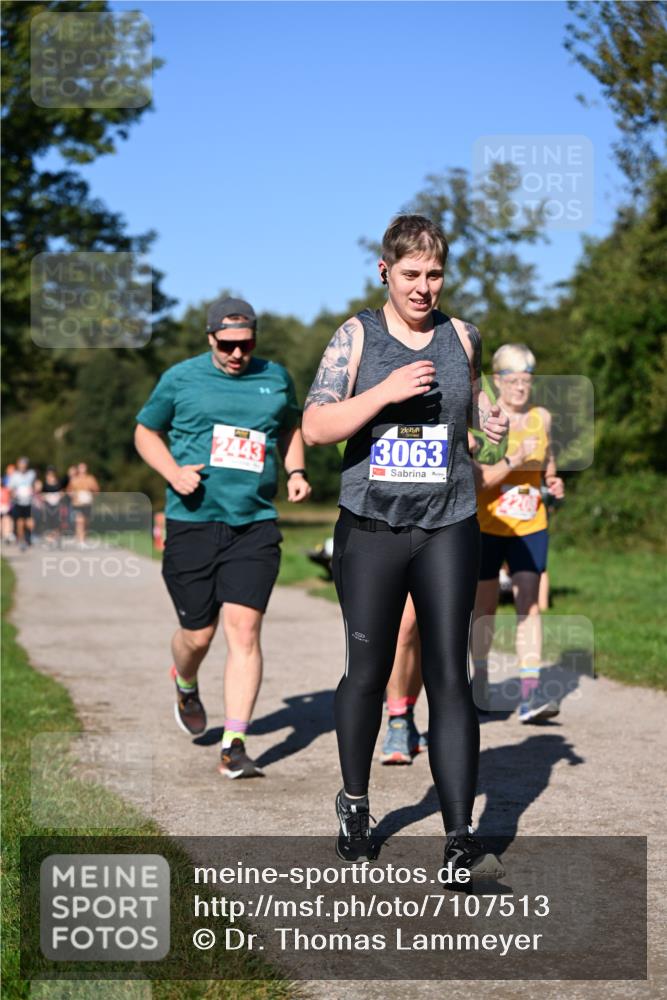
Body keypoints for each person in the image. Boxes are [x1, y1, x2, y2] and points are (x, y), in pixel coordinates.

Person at [302, 215, 509, 875]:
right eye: (411, 274)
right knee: (366, 673)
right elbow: (314, 426)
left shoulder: (463, 337)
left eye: (434, 275)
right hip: (370, 527)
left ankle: (457, 836)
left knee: (449, 676)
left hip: (447, 522)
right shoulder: (356, 336)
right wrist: (385, 392)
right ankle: (356, 802)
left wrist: (487, 418)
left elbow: (465, 406)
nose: (423, 288)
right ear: (384, 272)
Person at [134, 296, 311, 779]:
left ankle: (235, 744)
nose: (237, 353)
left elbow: (290, 426)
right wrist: (172, 472)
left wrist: (295, 469)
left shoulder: (275, 377)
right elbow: (146, 431)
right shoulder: (180, 378)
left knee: (244, 631)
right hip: (192, 521)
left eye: (246, 343)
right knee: (198, 634)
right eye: (228, 344)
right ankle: (185, 681)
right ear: (210, 338)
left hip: (253, 524)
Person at [471, 343, 565, 722]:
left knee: (529, 603)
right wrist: (515, 459)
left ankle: (530, 693)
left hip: (531, 524)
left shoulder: (542, 417)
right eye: (514, 381)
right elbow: (477, 482)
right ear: (498, 381)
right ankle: (479, 684)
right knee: (486, 608)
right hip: (489, 525)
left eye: (528, 380)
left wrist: (553, 482)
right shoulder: (486, 421)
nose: (522, 388)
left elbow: (549, 462)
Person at [66, 462, 100, 547]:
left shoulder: (90, 478)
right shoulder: (74, 479)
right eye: (81, 468)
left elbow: (97, 490)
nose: (82, 470)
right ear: (78, 469)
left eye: (84, 468)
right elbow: (68, 490)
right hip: (77, 503)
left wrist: (92, 492)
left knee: (86, 522)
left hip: (87, 502)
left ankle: (81, 537)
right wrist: (72, 495)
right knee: (79, 521)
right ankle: (81, 541)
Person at [8, 457, 36, 551]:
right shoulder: (14, 476)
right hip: (18, 502)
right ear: (18, 465)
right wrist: (14, 494)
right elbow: (10, 489)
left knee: (29, 522)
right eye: (21, 464)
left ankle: (29, 538)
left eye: (24, 464)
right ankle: (22, 541)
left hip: (29, 502)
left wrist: (33, 489)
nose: (23, 466)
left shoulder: (31, 474)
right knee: (20, 522)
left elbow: (35, 485)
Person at [40, 466, 65, 548]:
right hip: (47, 506)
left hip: (57, 505)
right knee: (48, 523)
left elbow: (62, 493)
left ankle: (54, 539)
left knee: (57, 524)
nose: (50, 477)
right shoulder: (44, 485)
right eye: (49, 475)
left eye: (52, 475)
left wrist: (59, 496)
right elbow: (41, 495)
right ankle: (50, 540)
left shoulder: (58, 484)